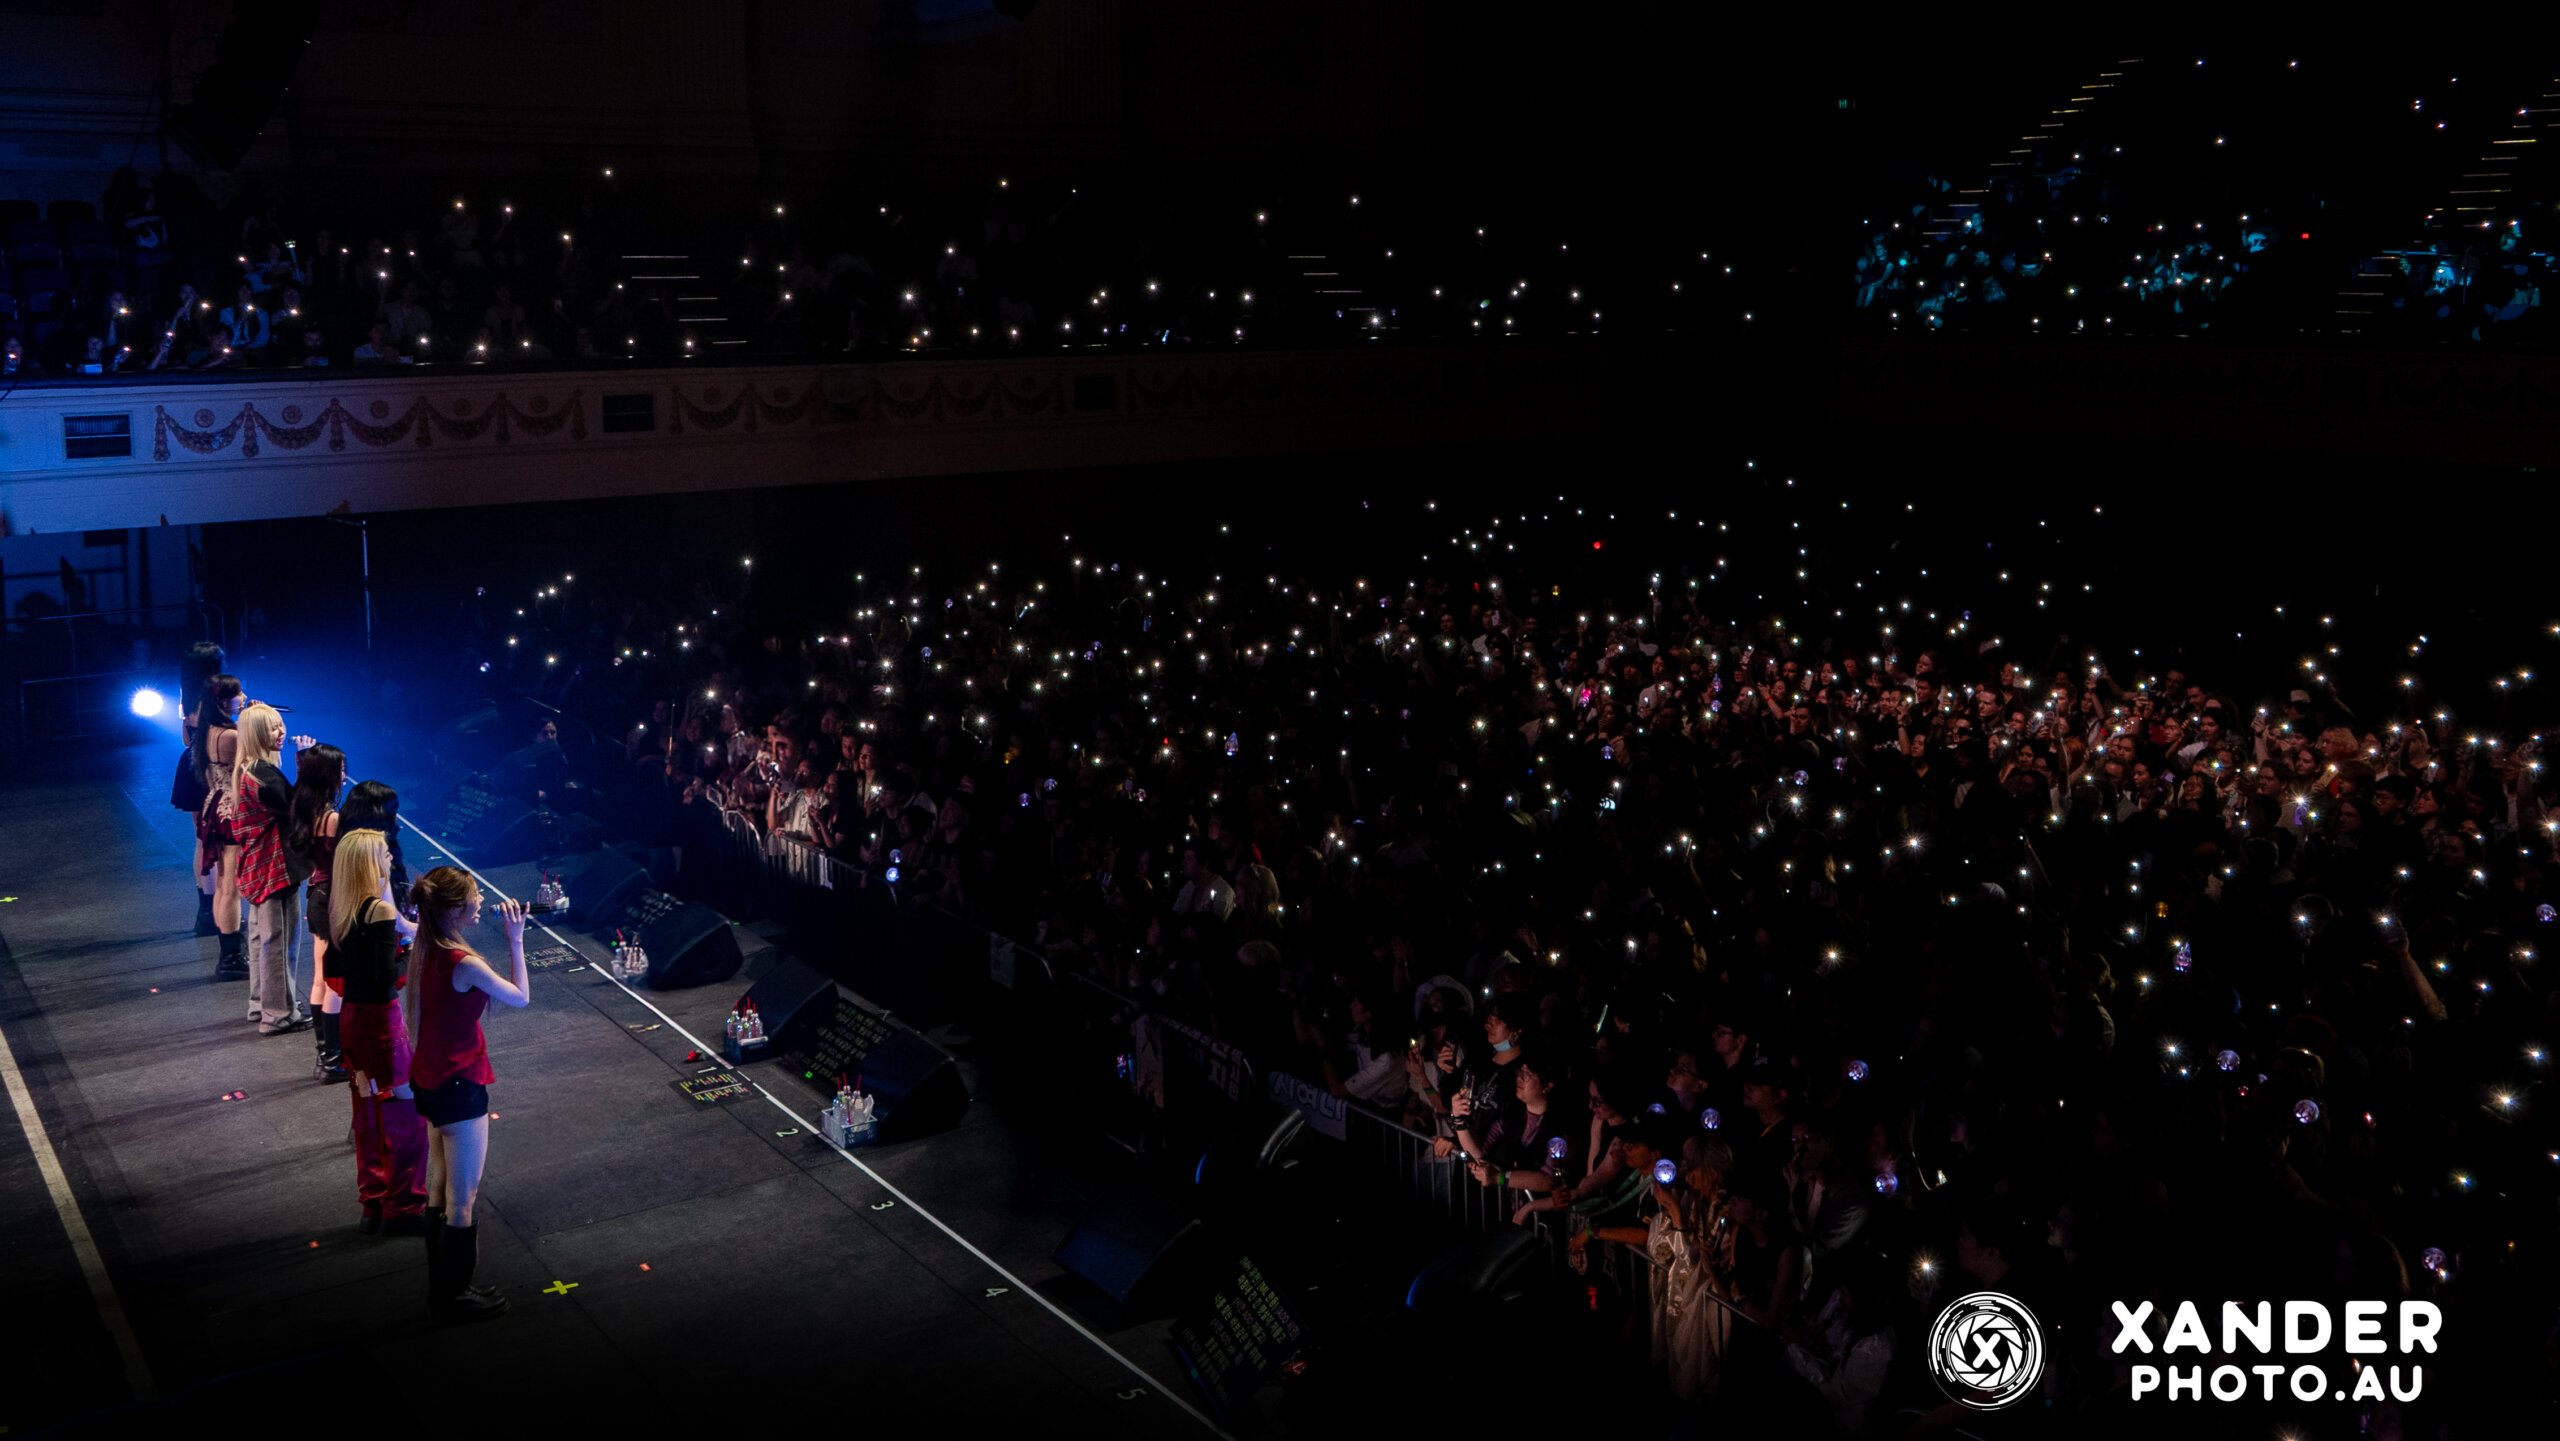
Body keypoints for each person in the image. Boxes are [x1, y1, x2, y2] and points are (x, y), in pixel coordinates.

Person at [406, 866, 529, 1321]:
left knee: (439, 1187)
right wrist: (516, 940)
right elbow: (520, 996)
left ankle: (442, 1285)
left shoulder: (426, 947)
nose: (481, 903)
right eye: (474, 897)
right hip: (459, 1084)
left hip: (431, 1080)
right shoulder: (464, 962)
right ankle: (453, 1295)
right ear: (455, 909)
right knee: (464, 1196)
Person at [331, 830, 428, 1236]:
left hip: (352, 1020)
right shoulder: (381, 911)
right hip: (382, 1025)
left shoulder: (342, 908)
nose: (390, 858)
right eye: (385, 853)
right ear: (371, 863)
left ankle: (372, 1203)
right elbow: (386, 975)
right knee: (406, 1113)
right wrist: (411, 955)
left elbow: (336, 969)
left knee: (367, 1111)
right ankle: (403, 1206)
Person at [227, 703, 310, 1034]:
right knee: (278, 942)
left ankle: (262, 1003)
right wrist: (306, 762)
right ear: (257, 733)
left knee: (263, 937)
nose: (281, 732)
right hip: (273, 866)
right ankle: (278, 1014)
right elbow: (299, 806)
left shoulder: (248, 768)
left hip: (258, 865)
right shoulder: (262, 774)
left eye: (280, 725)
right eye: (273, 727)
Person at [290, 743, 350, 1081]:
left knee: (319, 977)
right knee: (334, 982)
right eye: (340, 769)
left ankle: (326, 1053)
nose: (344, 775)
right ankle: (333, 1059)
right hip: (332, 898)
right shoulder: (332, 818)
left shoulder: (305, 808)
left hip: (316, 895)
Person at [192, 675, 248, 979]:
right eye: (239, 693)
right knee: (231, 888)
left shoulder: (208, 730)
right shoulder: (230, 736)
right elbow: (261, 765)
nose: (244, 697)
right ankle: (231, 957)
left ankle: (229, 953)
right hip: (230, 811)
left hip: (216, 805)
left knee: (225, 884)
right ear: (225, 700)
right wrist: (254, 723)